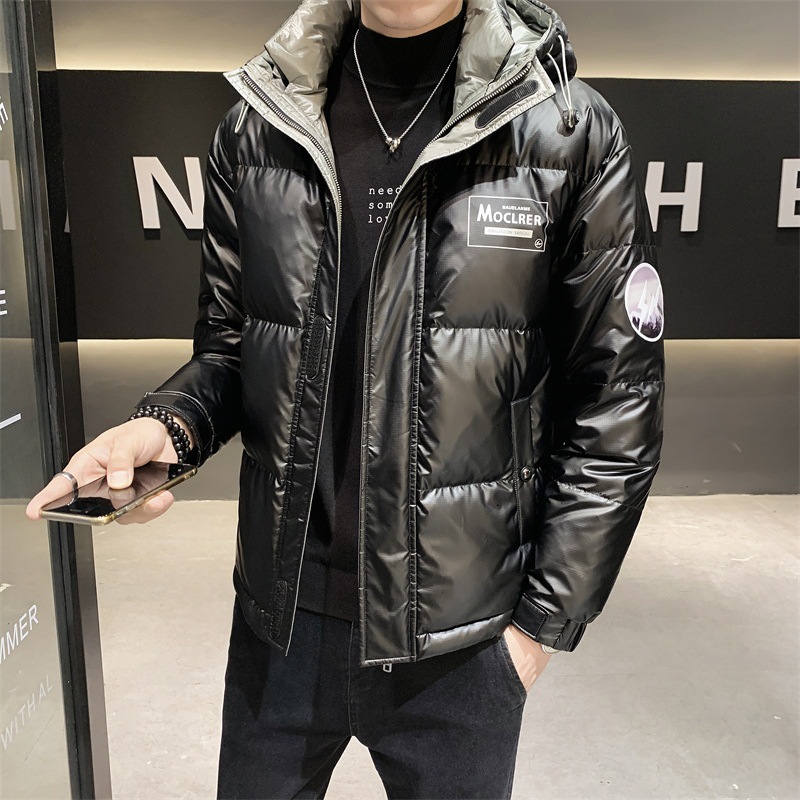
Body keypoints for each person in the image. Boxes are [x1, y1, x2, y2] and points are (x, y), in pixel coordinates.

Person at [27, 0, 665, 797]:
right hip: (282, 626)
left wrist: (539, 628)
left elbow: (618, 402)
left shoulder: (565, 130)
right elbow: (232, 350)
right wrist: (169, 425)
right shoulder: (259, 124)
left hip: (461, 646)